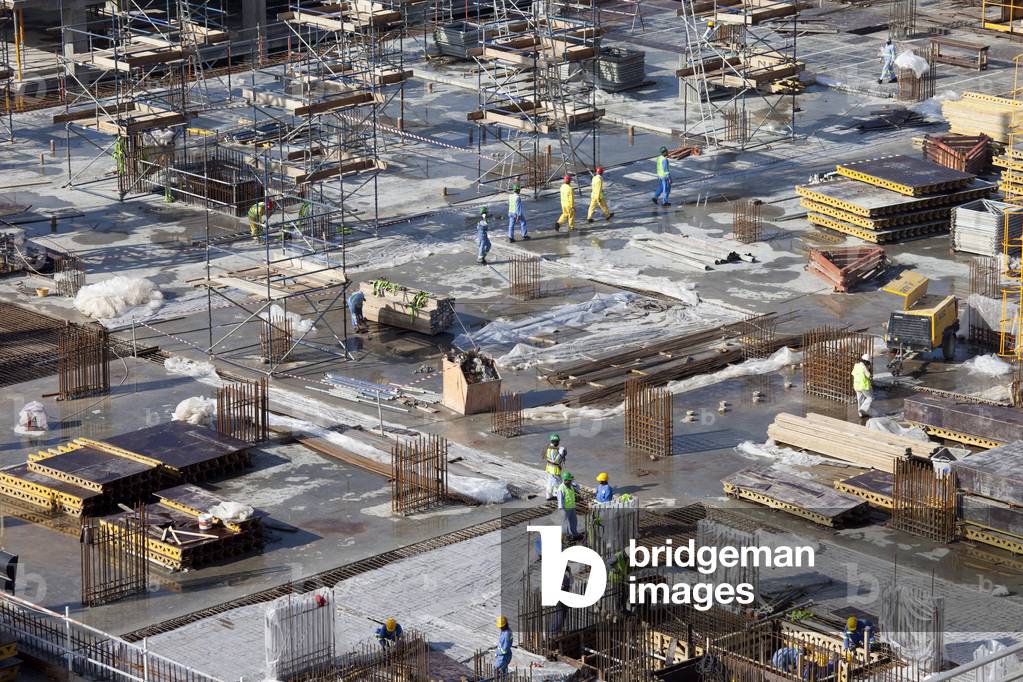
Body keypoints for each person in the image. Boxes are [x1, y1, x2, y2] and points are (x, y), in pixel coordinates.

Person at [557, 471, 582, 540]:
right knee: (564, 524)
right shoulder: (561, 489)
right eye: (569, 480)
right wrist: (562, 510)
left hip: (572, 507)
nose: (571, 481)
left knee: (574, 522)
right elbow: (560, 501)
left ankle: (575, 534)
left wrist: (574, 482)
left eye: (571, 480)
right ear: (565, 480)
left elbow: (578, 488)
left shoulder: (570, 486)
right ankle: (566, 537)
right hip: (565, 509)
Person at [543, 434, 567, 500]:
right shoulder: (553, 450)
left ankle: (549, 496)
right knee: (558, 483)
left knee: (550, 483)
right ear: (555, 441)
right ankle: (559, 496)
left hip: (549, 467)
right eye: (558, 441)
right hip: (554, 469)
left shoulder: (548, 447)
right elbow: (555, 461)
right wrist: (561, 454)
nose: (558, 443)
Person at [851, 353, 873, 418]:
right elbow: (869, 376)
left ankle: (861, 414)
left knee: (860, 400)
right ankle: (862, 409)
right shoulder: (864, 367)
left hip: (856, 386)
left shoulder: (856, 366)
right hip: (863, 386)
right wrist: (870, 373)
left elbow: (853, 373)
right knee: (870, 398)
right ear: (866, 362)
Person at [494, 615, 512, 680]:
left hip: (503, 656)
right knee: (502, 672)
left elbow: (504, 650)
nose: (500, 628)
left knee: (497, 670)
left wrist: (498, 652)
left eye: (501, 627)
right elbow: (501, 644)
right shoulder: (504, 631)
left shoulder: (507, 634)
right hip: (502, 655)